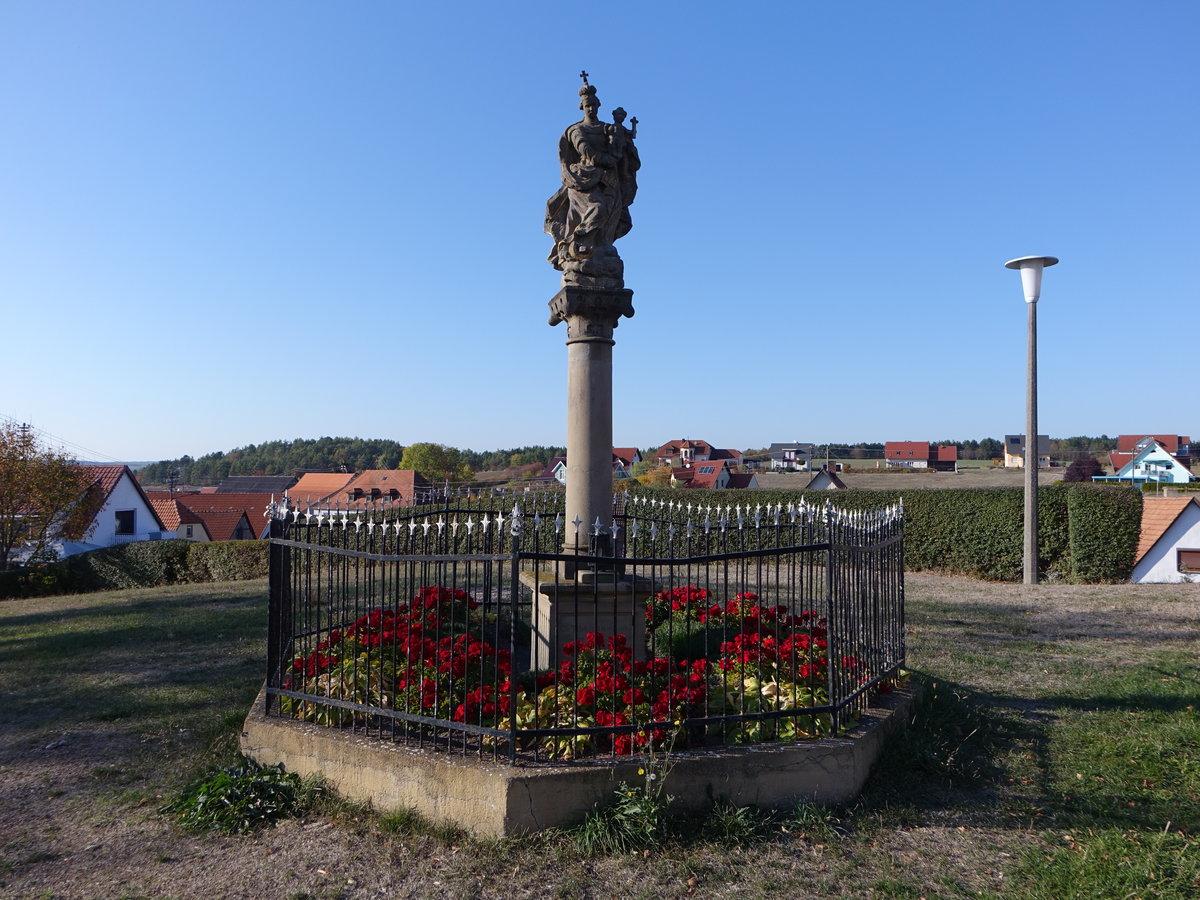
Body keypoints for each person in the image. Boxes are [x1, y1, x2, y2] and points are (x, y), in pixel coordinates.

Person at [545, 77, 638, 289]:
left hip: (608, 180)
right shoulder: (576, 130)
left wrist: (622, 143)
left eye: (594, 105)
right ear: (582, 107)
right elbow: (585, 150)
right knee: (598, 209)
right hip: (583, 180)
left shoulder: (608, 128)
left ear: (598, 106)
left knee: (611, 222)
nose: (591, 109)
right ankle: (578, 239)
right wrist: (606, 159)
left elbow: (623, 145)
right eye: (588, 106)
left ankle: (600, 247)